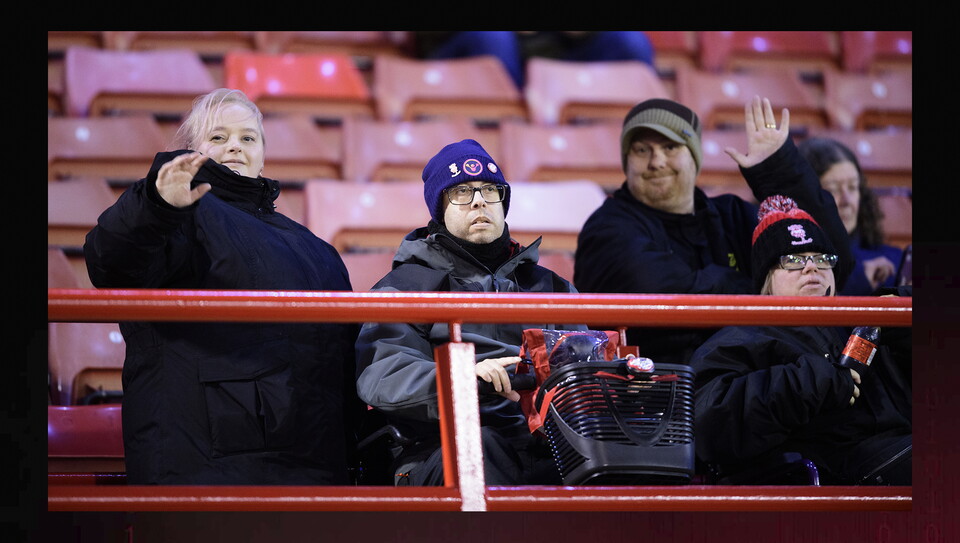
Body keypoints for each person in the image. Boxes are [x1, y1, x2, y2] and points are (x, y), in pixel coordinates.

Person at [83, 88, 361, 485]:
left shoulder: (315, 248)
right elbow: (111, 262)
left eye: (248, 138)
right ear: (193, 148)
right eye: (218, 137)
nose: (235, 146)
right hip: (211, 465)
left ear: (263, 153)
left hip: (313, 462)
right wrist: (159, 206)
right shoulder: (176, 212)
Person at [354, 139, 585, 486]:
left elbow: (584, 367)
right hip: (439, 446)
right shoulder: (405, 286)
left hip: (542, 443)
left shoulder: (551, 287)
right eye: (461, 192)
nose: (479, 200)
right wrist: (462, 376)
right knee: (481, 448)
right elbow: (383, 375)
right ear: (438, 210)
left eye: (490, 190)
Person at [574, 96, 852, 365]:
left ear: (695, 155)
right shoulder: (607, 228)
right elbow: (666, 294)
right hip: (652, 395)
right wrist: (764, 291)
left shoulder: (731, 214)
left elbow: (830, 259)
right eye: (641, 150)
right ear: (626, 161)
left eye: (671, 147)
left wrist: (777, 170)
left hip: (750, 384)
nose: (656, 162)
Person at [691, 195, 912, 485]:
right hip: (836, 470)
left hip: (900, 451)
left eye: (822, 258)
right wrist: (812, 380)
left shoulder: (867, 318)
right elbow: (709, 422)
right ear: (766, 279)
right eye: (793, 260)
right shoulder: (742, 334)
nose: (812, 267)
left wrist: (906, 318)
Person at [798, 137, 904, 295]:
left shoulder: (894, 260)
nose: (846, 200)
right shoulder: (791, 266)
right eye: (833, 189)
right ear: (806, 196)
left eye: (853, 187)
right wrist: (857, 279)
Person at [409, 31, 656, 89]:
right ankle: (513, 131)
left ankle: (644, 134)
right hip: (467, 46)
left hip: (555, 51)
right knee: (494, 39)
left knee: (629, 43)